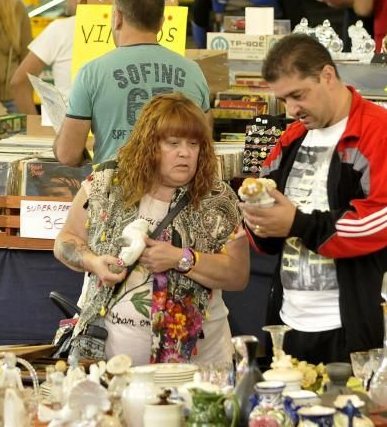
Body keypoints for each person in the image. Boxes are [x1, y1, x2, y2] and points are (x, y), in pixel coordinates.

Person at [242, 34, 387, 365]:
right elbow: (266, 215)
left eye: (298, 95)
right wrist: (258, 221)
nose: (292, 110)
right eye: (284, 100)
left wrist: (297, 223)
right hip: (290, 323)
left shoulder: (383, 133)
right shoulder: (292, 137)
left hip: (360, 332)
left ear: (327, 76)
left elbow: (379, 220)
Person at [54, 92, 249, 364]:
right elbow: (66, 241)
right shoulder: (105, 185)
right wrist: (93, 262)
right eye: (173, 143)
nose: (185, 152)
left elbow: (238, 275)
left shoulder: (218, 198)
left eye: (194, 144)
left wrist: (180, 258)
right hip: (109, 361)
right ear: (148, 145)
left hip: (199, 364)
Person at [55, 0, 211, 166]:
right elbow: (205, 143)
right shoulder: (192, 71)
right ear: (161, 23)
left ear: (117, 18)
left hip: (115, 189)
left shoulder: (91, 73)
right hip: (177, 190)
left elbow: (68, 155)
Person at [11, 0, 113, 115]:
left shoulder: (60, 29)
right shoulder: (125, 28)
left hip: (66, 128)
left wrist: (35, 128)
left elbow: (19, 82)